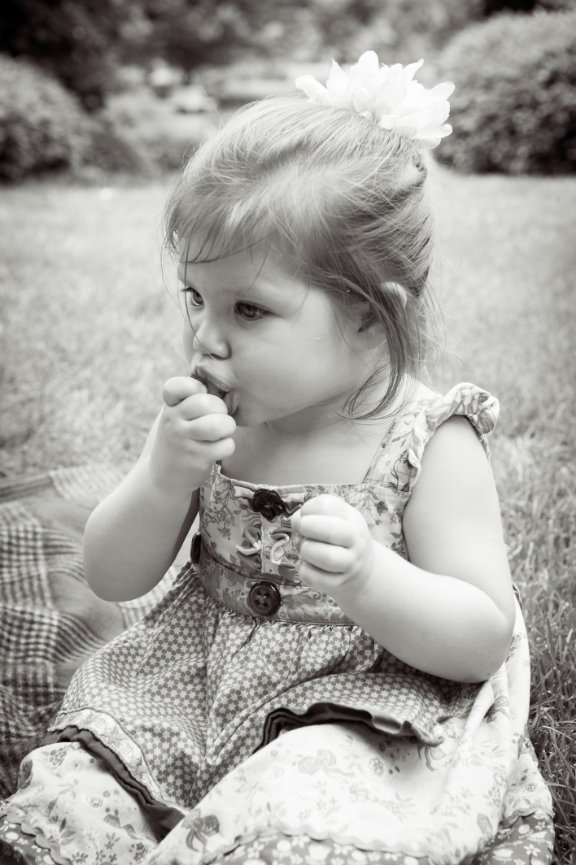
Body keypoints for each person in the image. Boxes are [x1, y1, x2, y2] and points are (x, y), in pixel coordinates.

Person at [0, 52, 553, 865]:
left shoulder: (430, 440)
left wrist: (371, 577)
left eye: (249, 309)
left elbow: (481, 636)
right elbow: (112, 575)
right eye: (197, 297)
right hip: (195, 684)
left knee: (303, 807)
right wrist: (163, 475)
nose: (206, 337)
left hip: (360, 705)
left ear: (370, 316)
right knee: (78, 792)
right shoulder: (220, 417)